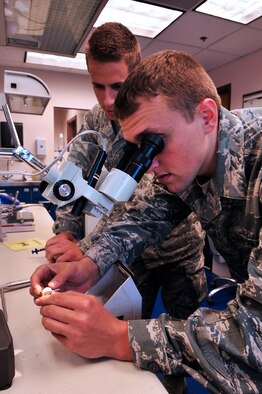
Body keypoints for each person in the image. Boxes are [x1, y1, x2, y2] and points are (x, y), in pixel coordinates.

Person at [30, 49, 262, 393]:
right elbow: (143, 216)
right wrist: (90, 263)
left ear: (207, 116)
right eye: (141, 149)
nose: (148, 165)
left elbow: (254, 337)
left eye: (155, 144)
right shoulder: (190, 155)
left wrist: (118, 338)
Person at [45, 22, 207, 321]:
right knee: (129, 321)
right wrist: (68, 234)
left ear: (136, 75)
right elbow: (76, 174)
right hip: (130, 246)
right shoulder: (97, 119)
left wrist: (89, 250)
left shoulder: (160, 112)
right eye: (98, 86)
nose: (108, 101)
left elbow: (150, 200)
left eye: (117, 87)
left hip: (178, 247)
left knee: (186, 328)